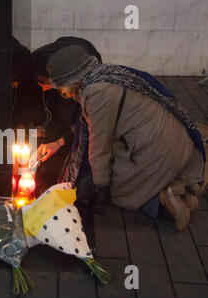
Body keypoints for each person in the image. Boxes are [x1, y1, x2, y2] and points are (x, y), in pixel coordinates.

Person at [40, 44, 206, 231]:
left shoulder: (97, 94)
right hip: (178, 144)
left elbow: (98, 146)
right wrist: (59, 143)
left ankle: (161, 201)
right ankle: (182, 187)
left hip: (160, 152)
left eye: (60, 87)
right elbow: (90, 127)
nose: (61, 93)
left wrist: (101, 187)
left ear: (71, 80)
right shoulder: (104, 75)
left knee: (120, 193)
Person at [31, 37, 102, 200]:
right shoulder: (42, 60)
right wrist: (56, 141)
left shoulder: (92, 97)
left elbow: (90, 131)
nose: (42, 87)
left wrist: (60, 142)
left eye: (44, 82)